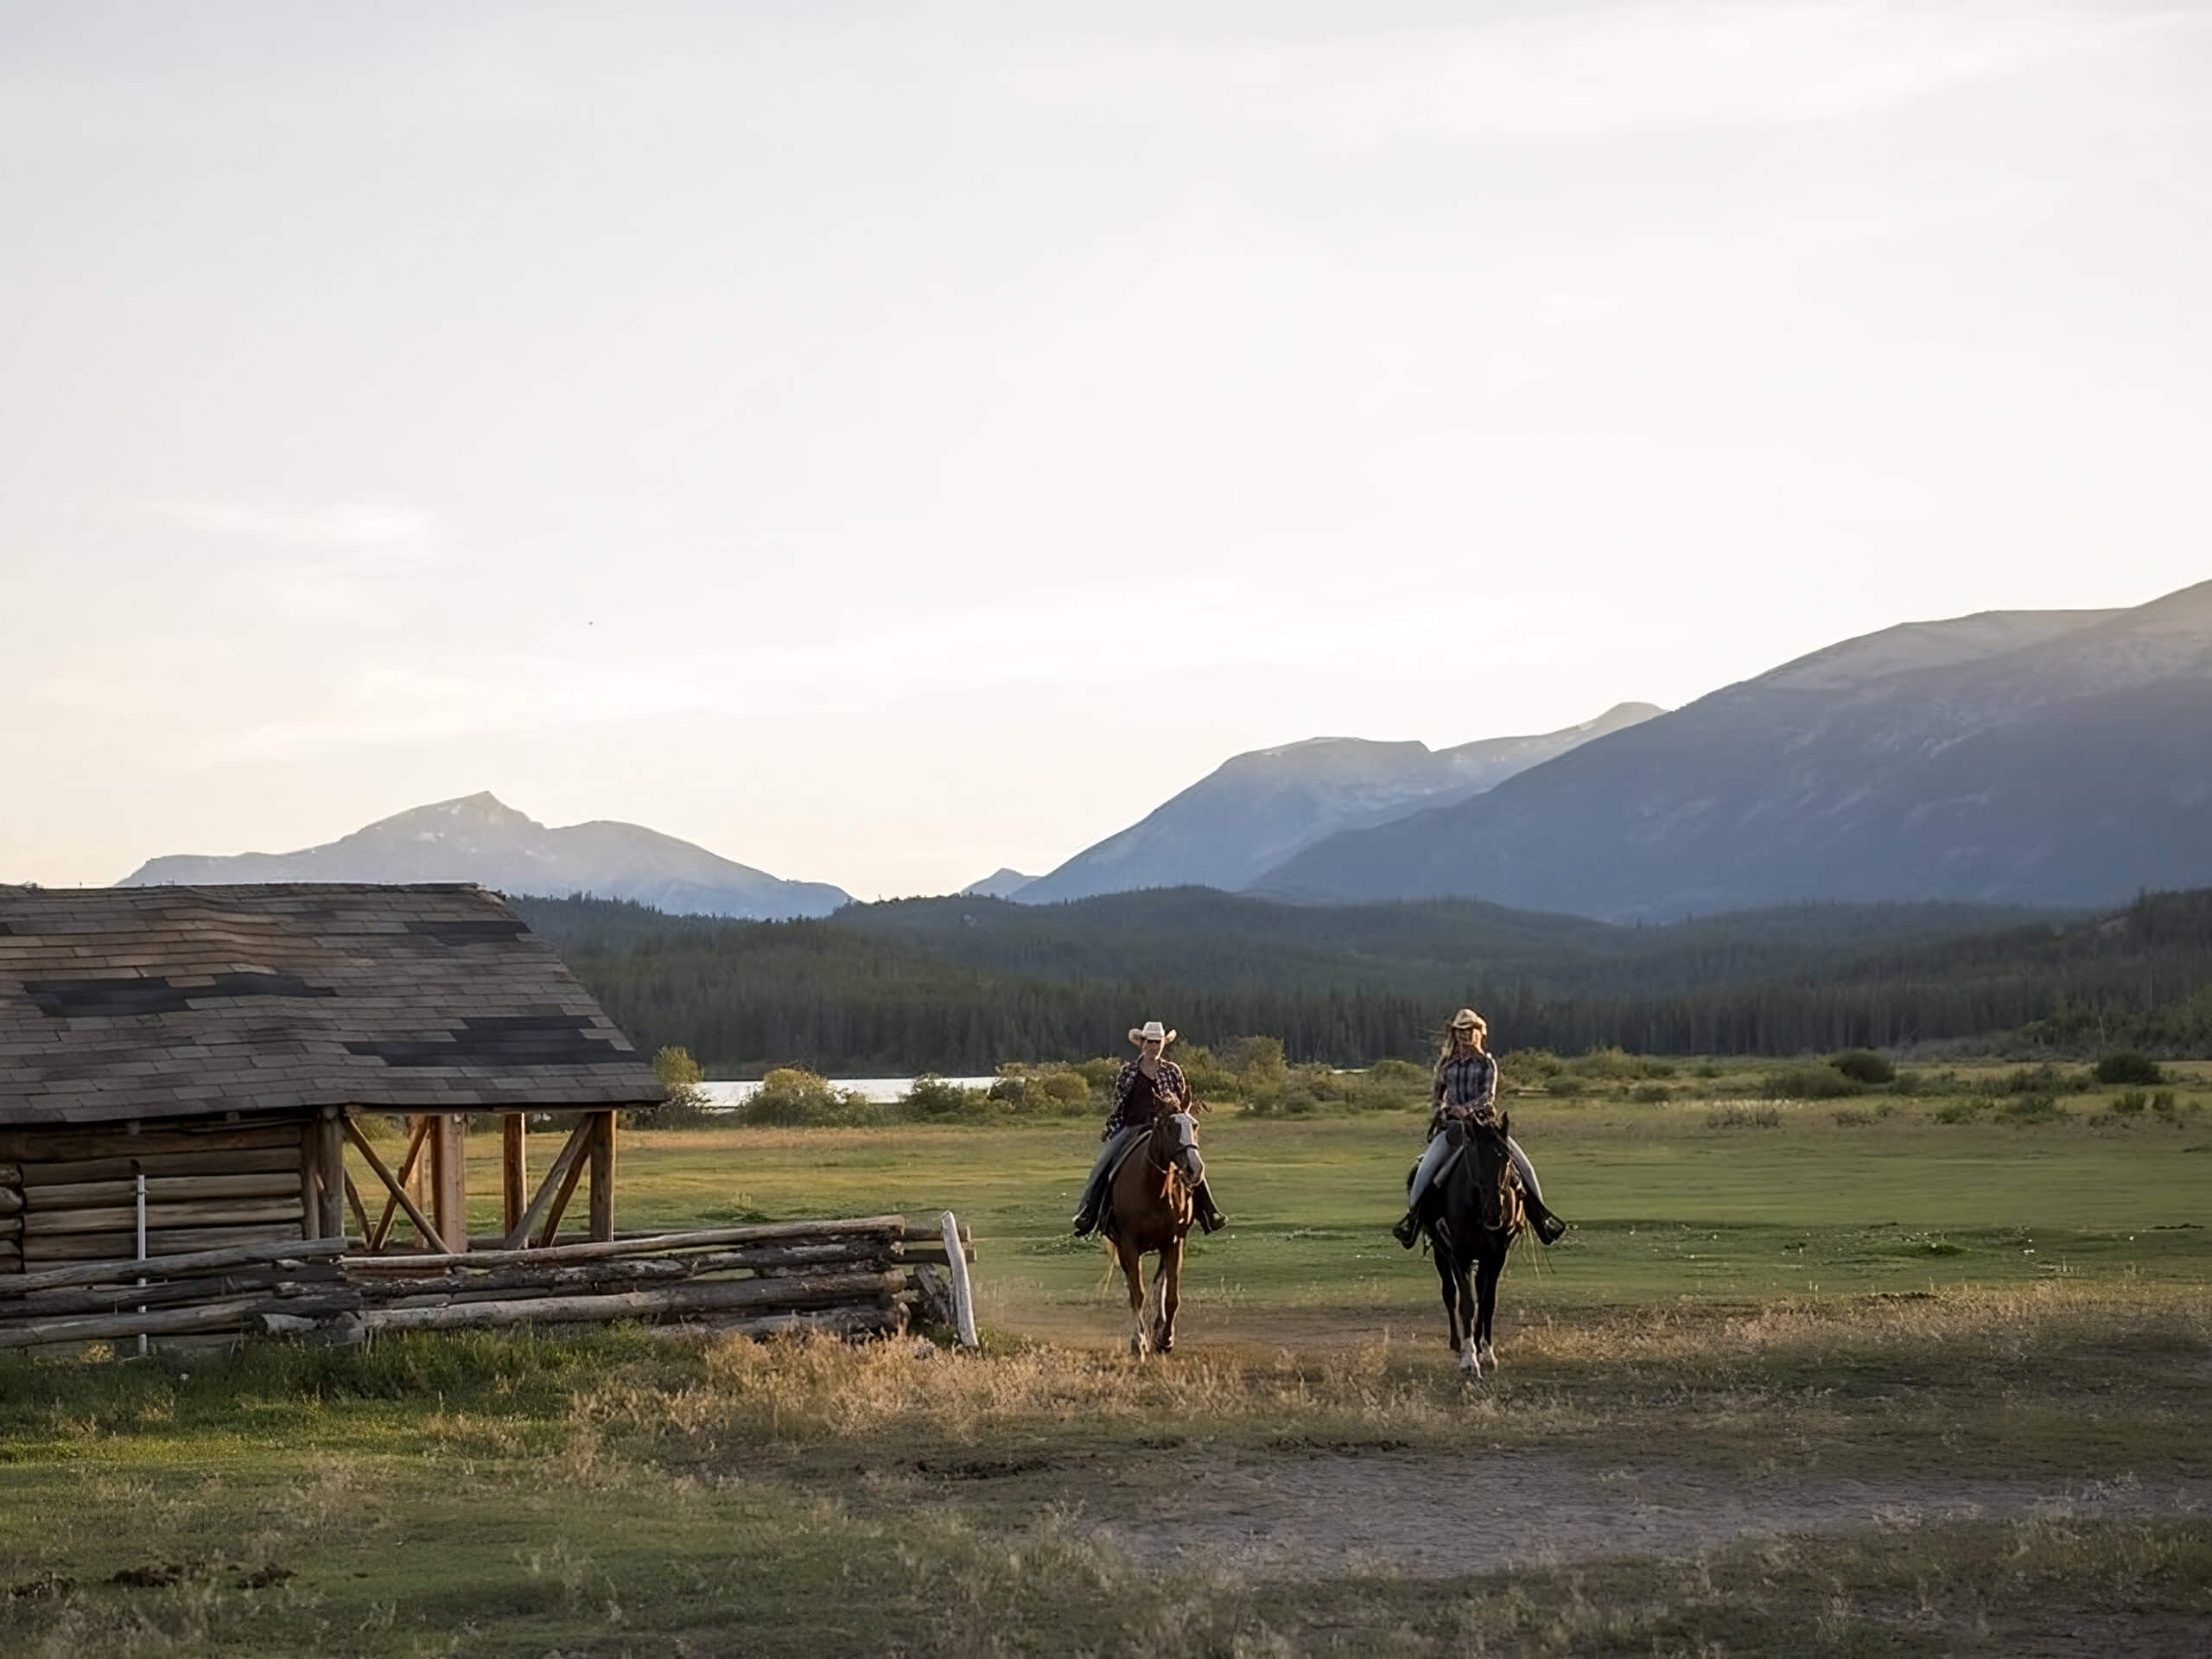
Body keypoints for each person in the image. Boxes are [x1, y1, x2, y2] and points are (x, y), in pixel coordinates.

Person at [1392, 1008, 1567, 1248]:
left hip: (1485, 1129)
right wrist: (1449, 1111)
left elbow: (1488, 1096)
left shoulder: (1487, 1063)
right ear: (1455, 1034)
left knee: (1523, 1166)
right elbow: (1436, 1099)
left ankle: (1542, 1220)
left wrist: (1469, 1110)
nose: (1465, 1036)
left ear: (1479, 1033)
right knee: (1425, 1171)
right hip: (1453, 1130)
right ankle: (1412, 1222)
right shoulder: (1445, 1066)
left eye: (1470, 1031)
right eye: (1461, 1031)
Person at [1071, 1020, 1228, 1236]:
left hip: (1167, 1130)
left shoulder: (1172, 1071)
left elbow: (1183, 1105)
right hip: (1134, 1127)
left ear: (1164, 1044)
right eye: (1151, 1041)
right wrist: (1112, 1130)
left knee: (1192, 1161)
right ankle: (1089, 1213)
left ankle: (1210, 1212)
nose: (1155, 1046)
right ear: (1142, 1043)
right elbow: (1119, 1104)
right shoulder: (1128, 1071)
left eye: (1159, 1042)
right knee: (1103, 1164)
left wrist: (1183, 1127)